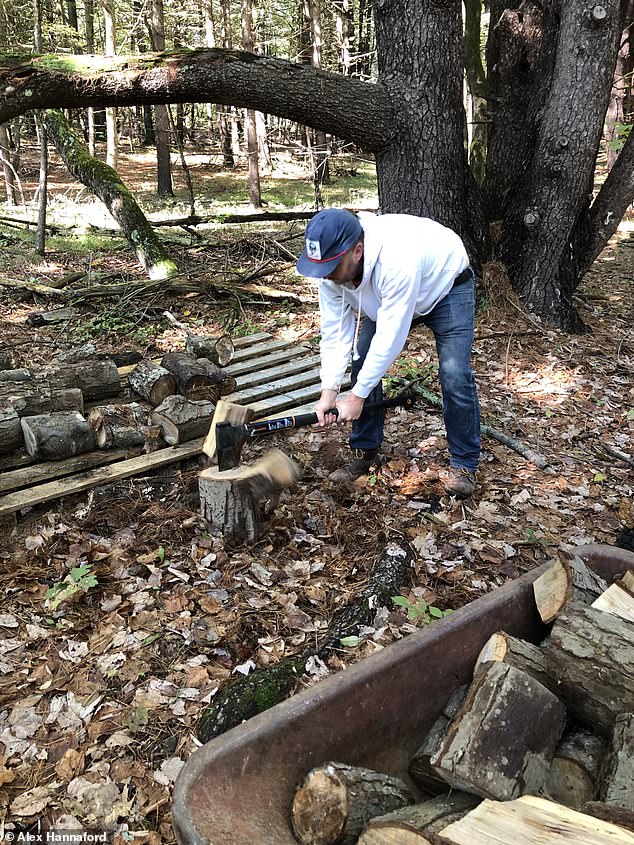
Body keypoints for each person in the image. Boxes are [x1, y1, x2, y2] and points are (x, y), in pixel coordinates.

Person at [296, 208, 480, 498]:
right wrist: (328, 391)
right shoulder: (329, 272)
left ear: (357, 251)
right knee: (363, 358)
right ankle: (365, 451)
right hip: (388, 296)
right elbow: (335, 334)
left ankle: (465, 463)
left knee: (455, 374)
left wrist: (356, 397)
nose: (325, 276)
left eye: (331, 267)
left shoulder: (396, 261)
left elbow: (391, 336)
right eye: (321, 268)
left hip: (446, 287)